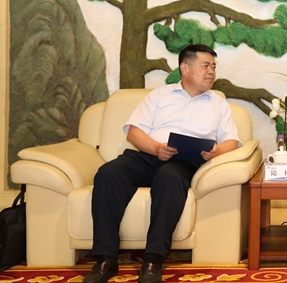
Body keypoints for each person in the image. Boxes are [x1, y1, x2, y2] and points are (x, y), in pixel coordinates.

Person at [83, 44, 241, 283]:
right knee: (108, 173)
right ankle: (105, 260)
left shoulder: (218, 104)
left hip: (182, 162)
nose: (211, 71)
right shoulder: (160, 95)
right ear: (185, 69)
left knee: (170, 177)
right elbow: (134, 132)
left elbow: (232, 141)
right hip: (147, 155)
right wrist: (157, 148)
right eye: (205, 66)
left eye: (213, 67)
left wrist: (217, 151)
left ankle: (153, 260)